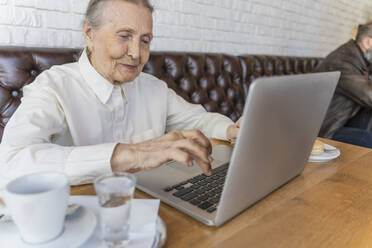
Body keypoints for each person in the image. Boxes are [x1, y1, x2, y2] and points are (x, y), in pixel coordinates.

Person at [0, 0, 241, 187]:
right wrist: (132, 154)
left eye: (145, 40)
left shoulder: (154, 88)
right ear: (89, 34)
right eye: (124, 36)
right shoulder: (53, 87)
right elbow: (10, 162)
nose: (136, 53)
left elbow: (199, 120)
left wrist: (231, 130)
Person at [316, 21, 372, 148]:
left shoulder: (358, 58)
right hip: (327, 128)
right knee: (369, 139)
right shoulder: (343, 61)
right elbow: (369, 96)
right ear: (368, 42)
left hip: (345, 119)